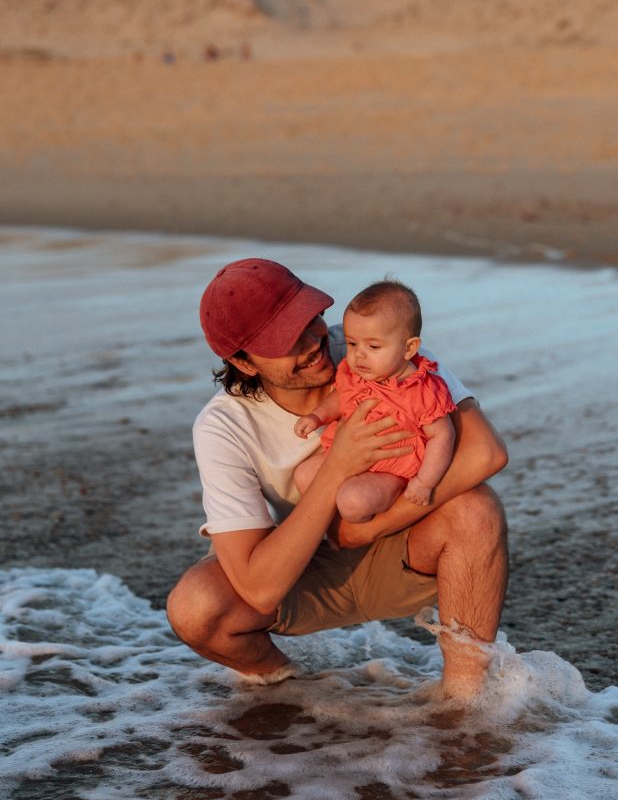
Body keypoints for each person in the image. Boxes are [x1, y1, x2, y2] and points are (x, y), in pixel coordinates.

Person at [167, 258, 509, 701]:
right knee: (196, 607)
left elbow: (487, 451)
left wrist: (368, 528)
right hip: (308, 567)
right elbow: (258, 587)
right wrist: (338, 464)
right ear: (243, 363)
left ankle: (466, 711)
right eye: (284, 340)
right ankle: (293, 689)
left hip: (409, 544)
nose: (312, 343)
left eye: (309, 320)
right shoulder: (222, 427)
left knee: (477, 508)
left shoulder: (373, 348)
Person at [293, 280, 457, 521]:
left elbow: (442, 435)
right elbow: (340, 397)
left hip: (390, 468)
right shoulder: (355, 373)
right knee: (304, 475)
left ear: (409, 348)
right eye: (352, 343)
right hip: (347, 455)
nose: (359, 354)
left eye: (373, 346)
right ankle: (331, 523)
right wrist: (317, 416)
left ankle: (381, 505)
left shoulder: (420, 389)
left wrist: (424, 482)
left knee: (354, 501)